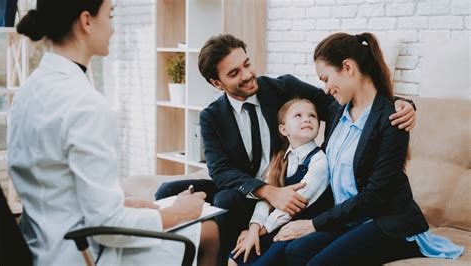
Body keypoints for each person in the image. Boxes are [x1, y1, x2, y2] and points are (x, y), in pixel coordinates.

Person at [154, 34, 417, 265]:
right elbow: (220, 171)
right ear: (216, 83)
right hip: (255, 188)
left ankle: (230, 259)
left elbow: (341, 99)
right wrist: (268, 191)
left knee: (225, 200)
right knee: (168, 191)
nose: (246, 75)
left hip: (290, 183)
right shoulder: (212, 117)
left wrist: (401, 104)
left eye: (246, 64)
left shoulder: (282, 88)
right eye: (233, 73)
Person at [8, 0, 218, 265]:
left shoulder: (28, 91)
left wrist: (125, 202)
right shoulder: (85, 104)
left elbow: (54, 183)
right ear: (86, 21)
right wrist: (177, 213)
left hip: (41, 243)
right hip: (83, 251)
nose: (113, 29)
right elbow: (109, 225)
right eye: (109, 15)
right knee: (208, 232)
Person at [270, 32, 465, 265]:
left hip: (388, 222)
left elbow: (375, 196)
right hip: (351, 219)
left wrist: (313, 224)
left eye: (325, 79)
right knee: (296, 251)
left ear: (348, 67)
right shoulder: (336, 109)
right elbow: (285, 83)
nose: (324, 89)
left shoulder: (392, 118)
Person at [229, 98, 330, 266]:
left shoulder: (319, 161)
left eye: (312, 116)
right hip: (273, 224)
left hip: (297, 228)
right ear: (284, 129)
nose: (307, 119)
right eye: (298, 115)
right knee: (236, 256)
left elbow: (293, 206)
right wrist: (253, 228)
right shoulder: (280, 158)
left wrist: (261, 231)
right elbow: (266, 200)